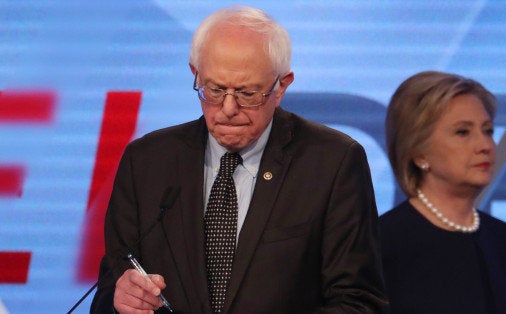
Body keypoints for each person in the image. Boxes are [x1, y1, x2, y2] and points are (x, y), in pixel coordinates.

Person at [90, 5, 387, 313]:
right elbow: (108, 288)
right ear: (196, 74)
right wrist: (118, 299)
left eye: (247, 93)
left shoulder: (332, 163)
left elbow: (359, 302)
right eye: (215, 89)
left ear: (281, 86)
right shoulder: (148, 162)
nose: (228, 108)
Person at [380, 71, 506, 314]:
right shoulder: (382, 244)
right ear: (419, 153)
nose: (485, 146)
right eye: (463, 132)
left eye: (488, 130)